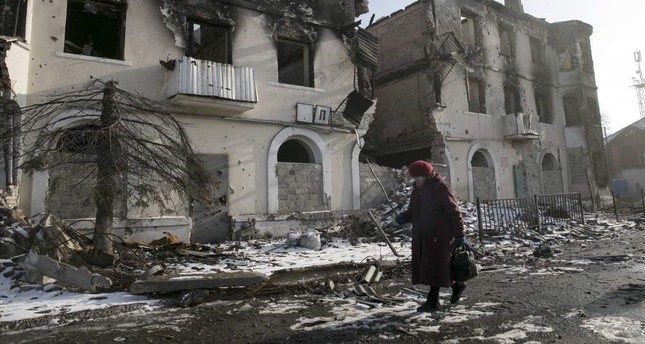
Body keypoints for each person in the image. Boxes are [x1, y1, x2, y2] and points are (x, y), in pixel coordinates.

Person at [394, 160, 467, 312]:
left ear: (427, 176)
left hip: (439, 236)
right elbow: (414, 211)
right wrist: (404, 217)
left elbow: (455, 213)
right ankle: (457, 285)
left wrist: (459, 235)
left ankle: (433, 301)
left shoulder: (440, 188)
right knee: (433, 267)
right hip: (423, 236)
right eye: (413, 179)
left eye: (418, 179)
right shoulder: (417, 191)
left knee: (436, 267)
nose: (415, 181)